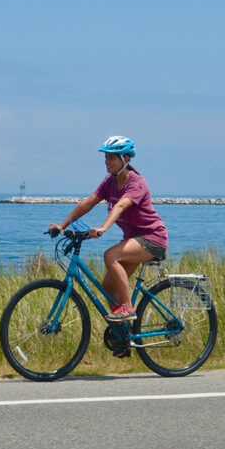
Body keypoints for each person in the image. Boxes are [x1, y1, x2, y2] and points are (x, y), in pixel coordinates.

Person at [48, 136, 168, 326]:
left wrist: (103, 228)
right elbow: (88, 203)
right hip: (134, 239)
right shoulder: (109, 182)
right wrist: (63, 226)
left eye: (112, 158)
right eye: (106, 158)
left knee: (110, 255)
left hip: (152, 238)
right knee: (109, 287)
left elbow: (120, 206)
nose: (107, 162)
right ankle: (124, 333)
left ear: (125, 159)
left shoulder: (136, 183)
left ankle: (128, 308)